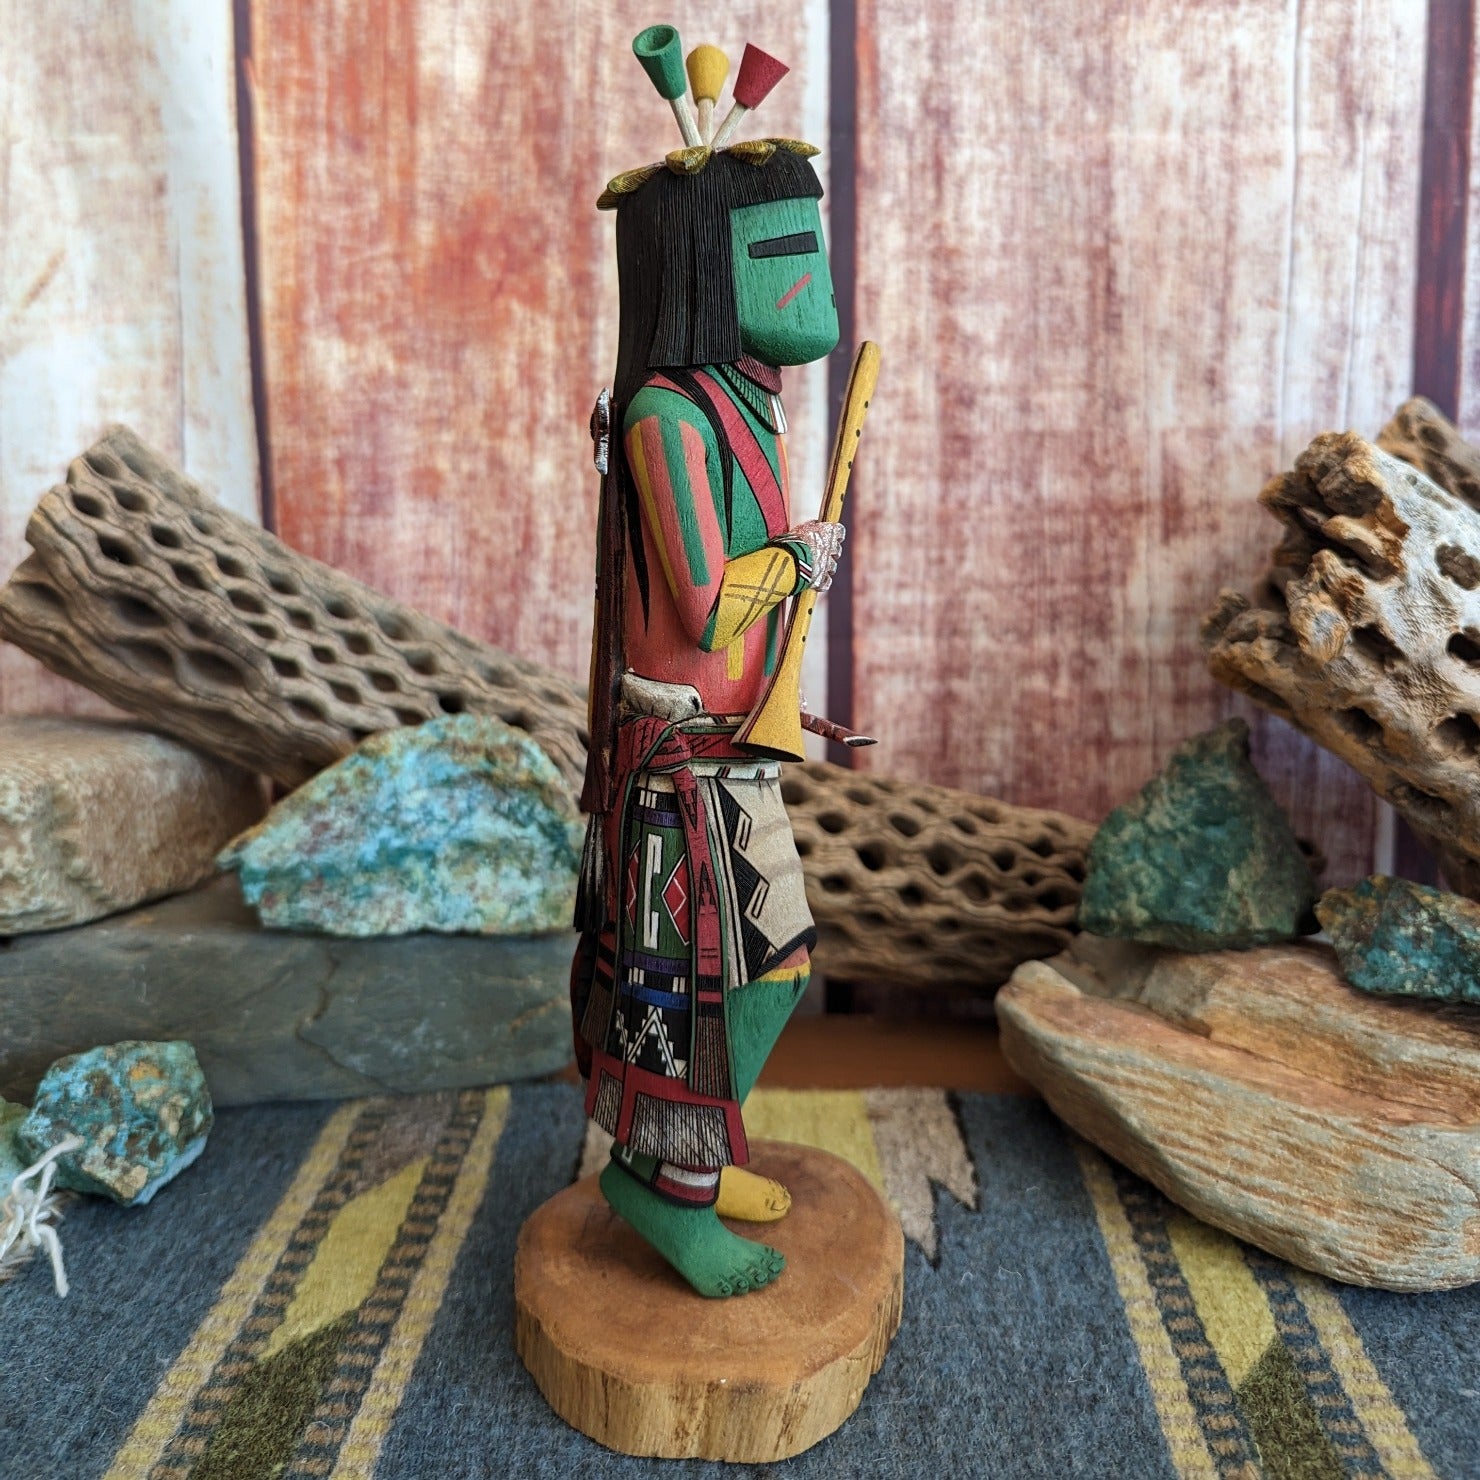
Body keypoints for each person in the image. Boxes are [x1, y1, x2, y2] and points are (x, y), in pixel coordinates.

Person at [571, 142, 843, 1298]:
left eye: (810, 242)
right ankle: (662, 1185)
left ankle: (692, 1159)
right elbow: (703, 601)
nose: (811, 273)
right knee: (714, 988)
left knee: (751, 973)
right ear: (701, 264)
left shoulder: (739, 401)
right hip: (680, 764)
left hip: (729, 753)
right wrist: (796, 558)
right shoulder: (666, 416)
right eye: (783, 247)